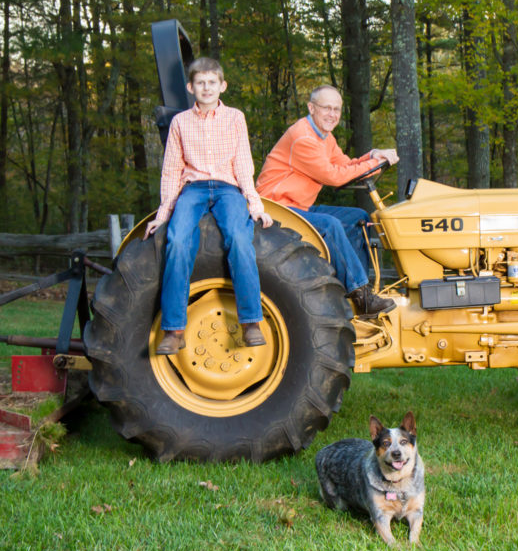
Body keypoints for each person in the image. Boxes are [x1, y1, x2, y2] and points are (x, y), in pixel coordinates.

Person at [145, 57, 272, 355]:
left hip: (228, 188)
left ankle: (251, 322)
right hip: (194, 188)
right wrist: (163, 213)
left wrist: (255, 204)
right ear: (191, 87)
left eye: (212, 82)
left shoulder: (235, 118)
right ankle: (174, 330)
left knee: (240, 239)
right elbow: (172, 169)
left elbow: (242, 163)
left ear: (222, 86)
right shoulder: (180, 122)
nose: (206, 88)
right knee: (176, 241)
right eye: (200, 83)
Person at [257, 85, 398, 318]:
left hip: (297, 205)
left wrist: (372, 156)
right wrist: (374, 163)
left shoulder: (325, 137)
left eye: (337, 109)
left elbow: (344, 165)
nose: (332, 114)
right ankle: (360, 294)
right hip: (276, 208)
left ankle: (360, 290)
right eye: (327, 108)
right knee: (330, 225)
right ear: (311, 108)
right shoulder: (302, 137)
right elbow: (333, 176)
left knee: (357, 218)